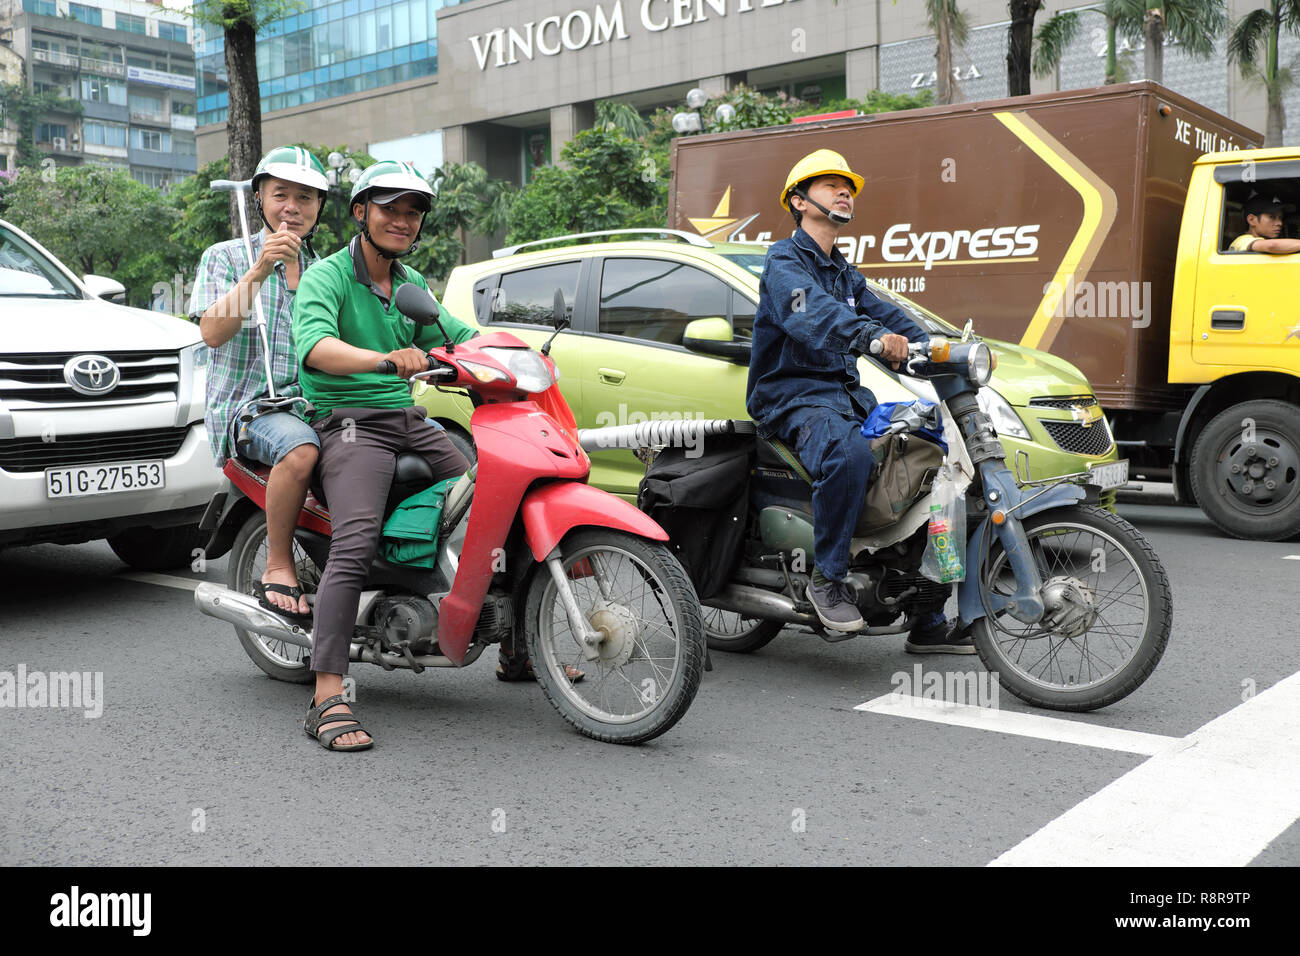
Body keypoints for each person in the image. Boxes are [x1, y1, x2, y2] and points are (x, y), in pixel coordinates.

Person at [745, 149, 972, 653]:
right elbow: (812, 315)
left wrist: (946, 348)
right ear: (800, 202)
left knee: (929, 460)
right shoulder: (784, 262)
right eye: (831, 186)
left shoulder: (846, 275)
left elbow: (889, 314)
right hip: (792, 396)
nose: (845, 192)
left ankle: (927, 614)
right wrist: (871, 336)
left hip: (845, 397)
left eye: (848, 187)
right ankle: (826, 579)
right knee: (847, 457)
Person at [287, 160, 476, 750]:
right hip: (348, 423)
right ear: (361, 211)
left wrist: (507, 351)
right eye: (389, 207)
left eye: (413, 211)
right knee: (356, 537)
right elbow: (315, 347)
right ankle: (326, 696)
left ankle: (519, 645)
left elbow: (458, 335)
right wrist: (384, 360)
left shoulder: (411, 283)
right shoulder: (327, 277)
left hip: (408, 420)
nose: (402, 220)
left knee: (489, 494)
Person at [191, 146, 330, 621]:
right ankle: (277, 563)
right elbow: (212, 332)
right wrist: (258, 270)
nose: (292, 207)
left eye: (306, 198)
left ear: (319, 208)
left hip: (315, 406)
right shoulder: (226, 258)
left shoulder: (326, 271)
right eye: (281, 195)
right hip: (253, 411)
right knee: (301, 450)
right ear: (260, 199)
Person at [1229, 194, 1300, 254]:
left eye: (1280, 218)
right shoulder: (1242, 241)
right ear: (1251, 220)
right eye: (1272, 217)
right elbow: (1272, 246)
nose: (1280, 223)